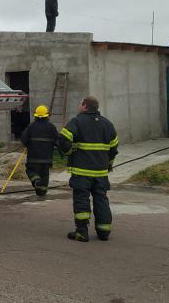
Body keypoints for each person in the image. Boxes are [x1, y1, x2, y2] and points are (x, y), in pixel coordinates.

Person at [58, 96, 118, 242]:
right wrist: (109, 164)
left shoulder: (77, 122)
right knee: (101, 200)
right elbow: (113, 148)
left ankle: (82, 232)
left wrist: (68, 152)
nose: (79, 106)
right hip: (101, 173)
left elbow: (63, 140)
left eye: (80, 103)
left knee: (81, 200)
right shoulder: (108, 124)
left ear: (85, 106)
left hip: (81, 172)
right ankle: (104, 232)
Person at [19, 105, 58, 196]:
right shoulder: (51, 127)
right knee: (45, 175)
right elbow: (57, 140)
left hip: (33, 157)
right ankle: (42, 192)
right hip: (47, 158)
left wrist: (28, 144)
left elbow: (24, 140)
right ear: (47, 116)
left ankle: (36, 180)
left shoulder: (31, 126)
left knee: (31, 170)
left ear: (36, 115)